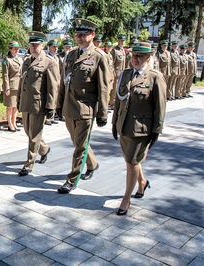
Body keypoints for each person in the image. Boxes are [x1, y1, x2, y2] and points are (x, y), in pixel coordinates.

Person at [112, 42, 166, 215]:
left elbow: (160, 106)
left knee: (131, 162)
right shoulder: (125, 74)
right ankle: (142, 182)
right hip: (124, 126)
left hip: (141, 129)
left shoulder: (155, 77)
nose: (134, 59)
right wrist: (114, 123)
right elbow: (118, 102)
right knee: (131, 160)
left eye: (139, 56)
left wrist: (157, 130)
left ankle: (126, 199)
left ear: (148, 58)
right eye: (133, 55)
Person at [57, 18, 110, 193]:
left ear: (92, 35)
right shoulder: (71, 54)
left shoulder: (99, 56)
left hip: (86, 109)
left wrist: (102, 113)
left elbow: (104, 87)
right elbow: (64, 82)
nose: (79, 37)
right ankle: (93, 164)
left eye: (84, 34)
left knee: (80, 146)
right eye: (77, 34)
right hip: (69, 107)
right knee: (78, 142)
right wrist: (59, 105)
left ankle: (72, 180)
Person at [17, 31, 60, 176]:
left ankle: (28, 165)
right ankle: (44, 149)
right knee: (28, 131)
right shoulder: (27, 61)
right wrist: (18, 100)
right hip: (26, 102)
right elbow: (22, 83)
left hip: (38, 104)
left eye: (36, 45)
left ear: (42, 45)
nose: (33, 47)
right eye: (31, 45)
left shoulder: (49, 62)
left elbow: (53, 86)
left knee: (34, 135)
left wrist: (50, 106)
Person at [2, 41, 23, 132]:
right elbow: (5, 75)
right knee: (10, 106)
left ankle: (14, 122)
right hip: (11, 85)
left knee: (16, 106)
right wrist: (7, 87)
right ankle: (10, 124)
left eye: (18, 49)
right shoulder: (7, 60)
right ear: (10, 49)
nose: (17, 50)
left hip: (19, 85)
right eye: (15, 49)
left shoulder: (20, 59)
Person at [45, 39, 62, 125]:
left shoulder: (57, 57)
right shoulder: (47, 57)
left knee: (55, 98)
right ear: (49, 47)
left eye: (56, 47)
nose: (56, 48)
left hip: (57, 80)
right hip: (50, 80)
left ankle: (52, 117)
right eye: (54, 47)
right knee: (50, 98)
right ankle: (47, 118)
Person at [109, 34, 127, 109]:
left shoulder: (123, 50)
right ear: (118, 41)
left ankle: (118, 102)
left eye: (123, 41)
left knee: (120, 88)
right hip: (116, 72)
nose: (122, 42)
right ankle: (112, 103)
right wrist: (113, 72)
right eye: (120, 40)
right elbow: (111, 62)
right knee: (114, 88)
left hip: (122, 72)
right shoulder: (114, 50)